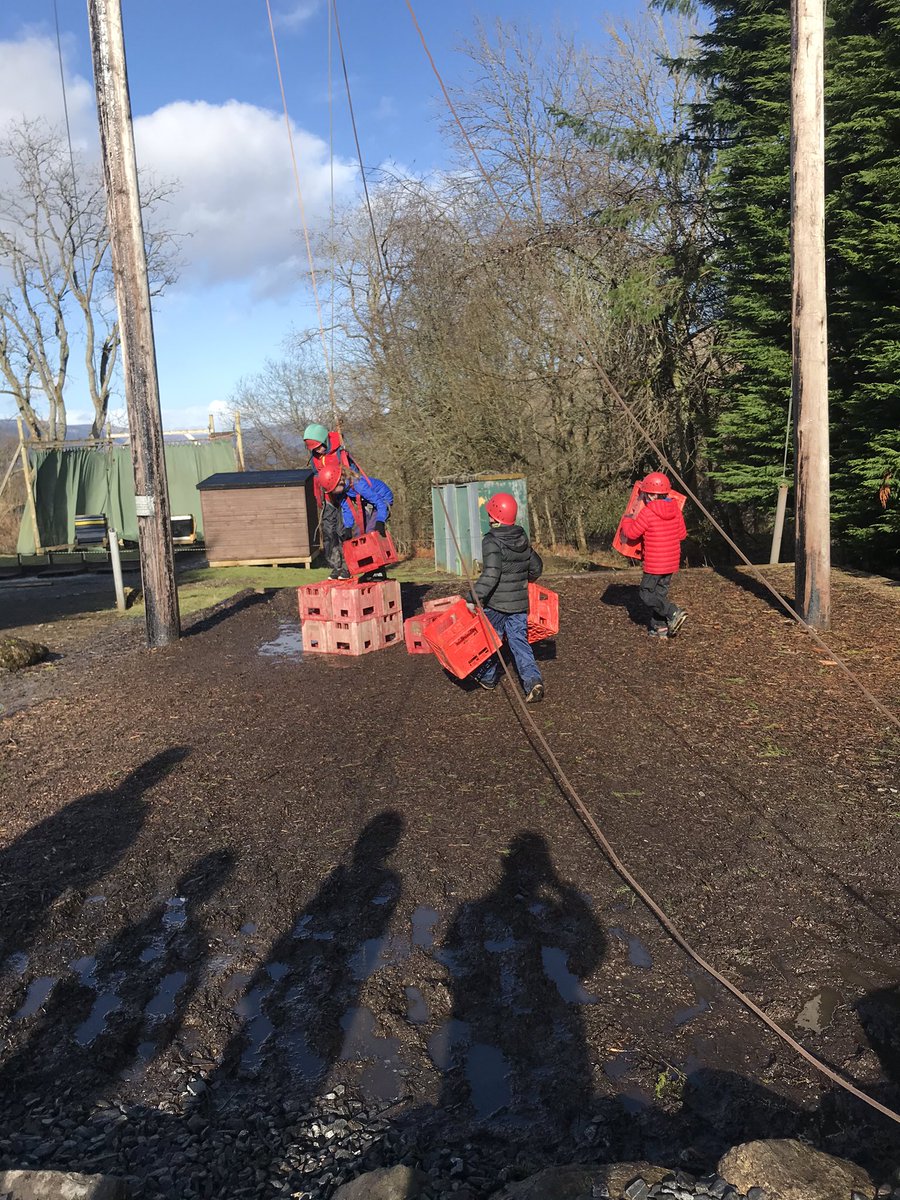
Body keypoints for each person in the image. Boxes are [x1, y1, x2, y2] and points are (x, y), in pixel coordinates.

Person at [470, 492, 545, 703]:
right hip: (520, 604)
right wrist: (523, 580)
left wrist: (473, 596)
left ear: (494, 516)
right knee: (519, 642)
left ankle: (487, 677)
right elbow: (537, 567)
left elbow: (491, 575)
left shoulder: (491, 541)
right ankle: (533, 681)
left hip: (496, 604)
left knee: (490, 641)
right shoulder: (522, 537)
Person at [620, 471, 688, 639]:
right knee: (659, 594)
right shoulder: (675, 509)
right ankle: (660, 628)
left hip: (655, 564)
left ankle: (673, 612)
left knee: (646, 593)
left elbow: (632, 533)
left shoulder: (648, 513)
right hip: (671, 563)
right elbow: (682, 534)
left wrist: (627, 519)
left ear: (650, 495)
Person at [303, 423, 353, 579]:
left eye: (319, 447)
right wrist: (318, 497)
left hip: (343, 496)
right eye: (314, 449)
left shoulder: (339, 452)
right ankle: (336, 566)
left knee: (343, 531)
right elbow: (317, 478)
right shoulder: (315, 458)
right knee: (328, 532)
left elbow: (349, 473)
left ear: (325, 440)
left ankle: (348, 566)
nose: (318, 450)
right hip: (327, 498)